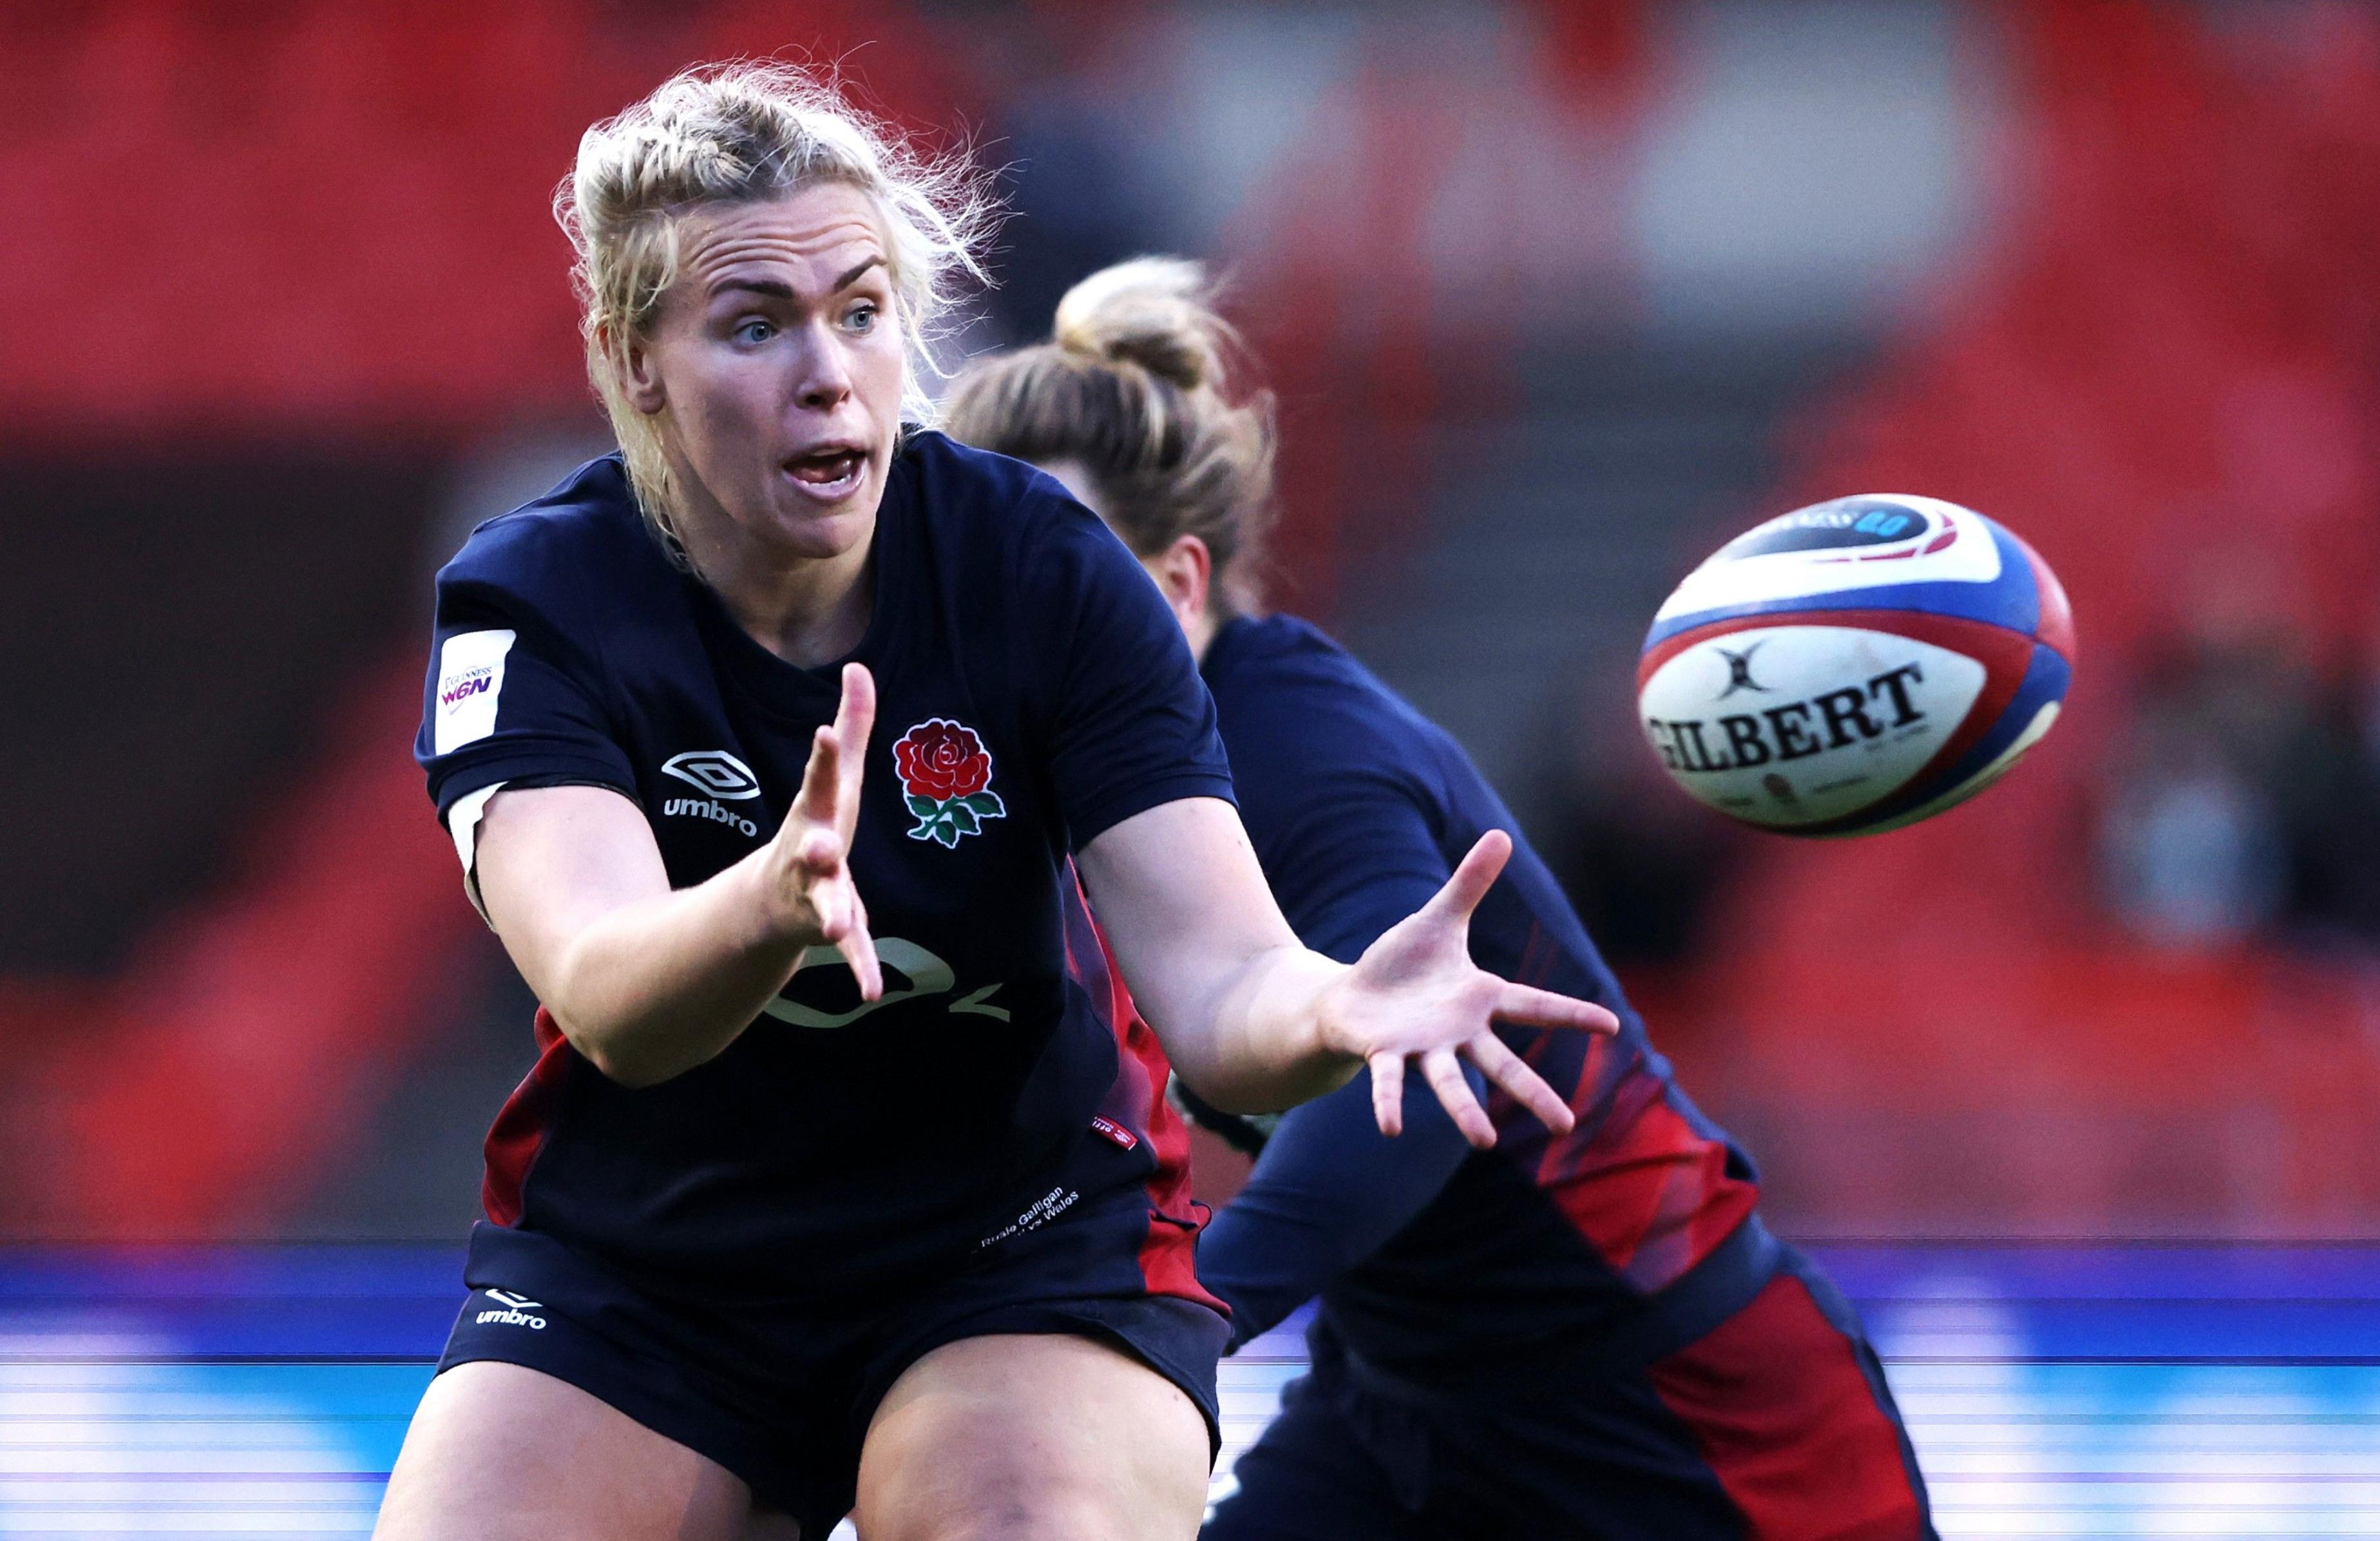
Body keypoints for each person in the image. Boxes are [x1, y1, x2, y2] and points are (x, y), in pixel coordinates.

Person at [375, 65, 1619, 1541]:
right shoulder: (532, 604)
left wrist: (1330, 1009)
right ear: (633, 358)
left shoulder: (1043, 570)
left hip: (1016, 1249)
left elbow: (1222, 983)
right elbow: (608, 997)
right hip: (648, 1273)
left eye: (861, 309)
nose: (828, 372)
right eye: (755, 324)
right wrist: (769, 902)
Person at [945, 258, 1937, 1540]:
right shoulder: (1044, 789)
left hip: (1673, 1415)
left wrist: (1159, 1323)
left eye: (1058, 577)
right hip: (1399, 1404)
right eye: (972, 580)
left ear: (1178, 587)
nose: (1006, 625)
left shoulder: (1303, 761)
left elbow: (1403, 1090)